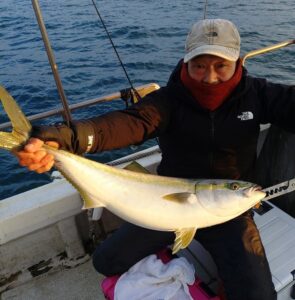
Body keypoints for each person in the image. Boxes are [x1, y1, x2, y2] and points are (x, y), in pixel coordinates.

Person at [16, 18, 295, 300]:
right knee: (106, 262)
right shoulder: (168, 101)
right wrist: (61, 138)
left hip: (230, 211)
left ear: (237, 62)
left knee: (258, 295)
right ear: (186, 62)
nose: (210, 77)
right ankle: (174, 255)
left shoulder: (257, 94)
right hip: (166, 204)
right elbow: (122, 124)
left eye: (221, 66)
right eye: (200, 66)